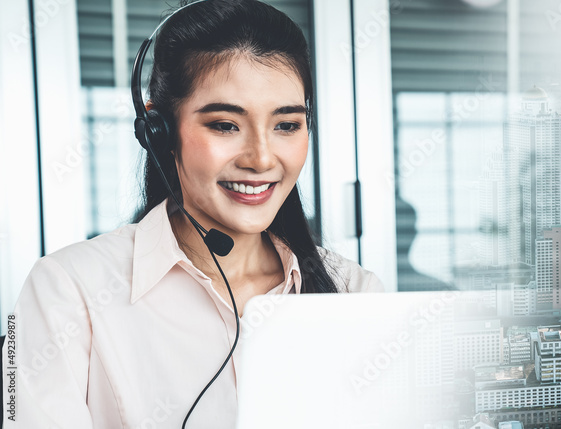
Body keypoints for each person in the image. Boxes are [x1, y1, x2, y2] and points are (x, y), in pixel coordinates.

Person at [4, 1, 383, 427]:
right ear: (158, 132)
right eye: (225, 125)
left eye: (286, 125)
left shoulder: (356, 293)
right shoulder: (66, 291)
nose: (260, 158)